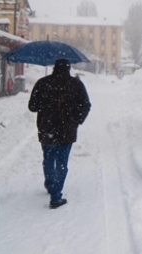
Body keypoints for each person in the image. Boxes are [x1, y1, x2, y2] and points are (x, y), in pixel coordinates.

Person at [28, 59, 91, 209]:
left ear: (54, 68)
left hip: (47, 129)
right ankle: (56, 196)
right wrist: (77, 119)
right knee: (62, 163)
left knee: (49, 159)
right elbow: (86, 105)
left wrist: (46, 105)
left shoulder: (43, 83)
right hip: (67, 130)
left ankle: (50, 184)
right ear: (69, 69)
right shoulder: (76, 84)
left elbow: (32, 106)